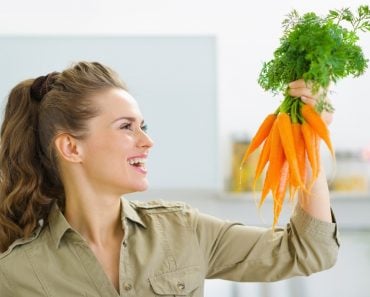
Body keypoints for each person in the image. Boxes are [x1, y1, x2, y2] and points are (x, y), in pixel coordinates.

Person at [0, 61, 339, 296]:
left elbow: (308, 250)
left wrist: (308, 144)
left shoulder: (183, 230)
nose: (147, 141)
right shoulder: (15, 273)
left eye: (142, 126)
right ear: (71, 147)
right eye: (126, 127)